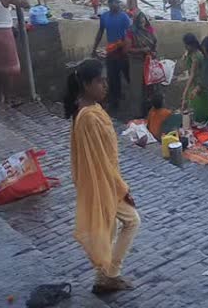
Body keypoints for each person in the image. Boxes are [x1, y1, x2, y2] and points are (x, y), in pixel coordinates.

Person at [64, 59, 140, 293]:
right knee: (132, 221)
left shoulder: (91, 109)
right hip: (102, 181)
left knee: (111, 227)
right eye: (100, 81)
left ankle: (102, 277)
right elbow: (100, 160)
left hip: (104, 179)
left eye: (106, 81)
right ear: (86, 85)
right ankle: (111, 273)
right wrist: (122, 188)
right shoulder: (88, 117)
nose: (105, 86)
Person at [92, 0, 131, 110]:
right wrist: (94, 48)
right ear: (109, 4)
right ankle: (115, 102)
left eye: (118, 2)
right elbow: (100, 33)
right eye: (115, 2)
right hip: (111, 51)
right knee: (112, 77)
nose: (118, 4)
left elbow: (130, 34)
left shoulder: (124, 17)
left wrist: (127, 49)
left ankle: (136, 99)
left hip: (122, 51)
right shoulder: (104, 17)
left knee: (128, 75)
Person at [125, 11, 157, 118]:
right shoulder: (132, 32)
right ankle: (137, 115)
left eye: (144, 21)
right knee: (137, 89)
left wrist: (153, 53)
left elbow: (154, 44)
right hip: (136, 62)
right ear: (137, 22)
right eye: (140, 22)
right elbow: (127, 49)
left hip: (149, 61)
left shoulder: (149, 30)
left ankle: (150, 113)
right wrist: (142, 50)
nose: (143, 23)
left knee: (150, 88)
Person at [180, 33, 208, 122]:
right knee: (192, 107)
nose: (185, 47)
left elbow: (193, 74)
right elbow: (184, 67)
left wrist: (184, 92)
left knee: (200, 109)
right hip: (193, 84)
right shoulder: (190, 54)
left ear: (192, 44)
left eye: (187, 45)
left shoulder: (197, 56)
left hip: (200, 85)